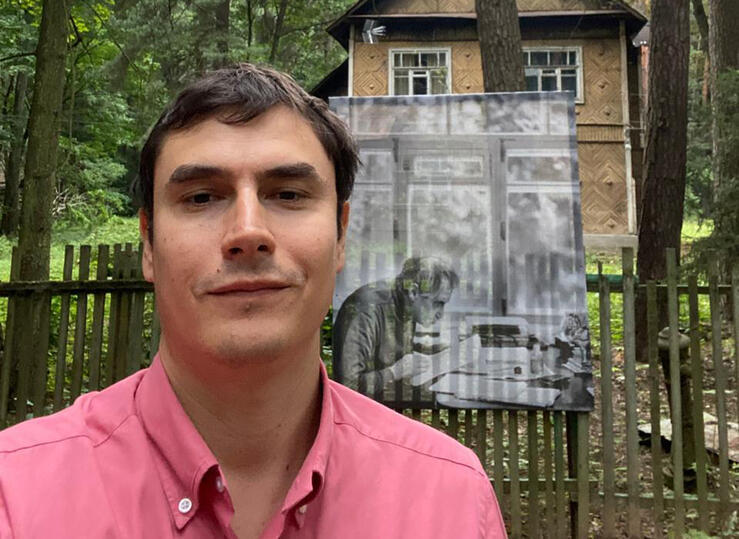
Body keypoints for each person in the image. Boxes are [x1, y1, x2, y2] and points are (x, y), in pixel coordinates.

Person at [0, 64, 505, 538]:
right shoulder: (17, 498)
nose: (247, 232)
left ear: (341, 235)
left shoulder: (451, 501)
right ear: (148, 244)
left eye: (288, 194)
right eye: (201, 197)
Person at [333, 256, 459, 394]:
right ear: (413, 292)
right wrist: (394, 372)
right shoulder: (366, 310)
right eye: (438, 303)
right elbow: (347, 384)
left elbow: (389, 351)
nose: (441, 314)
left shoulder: (405, 301)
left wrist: (434, 351)